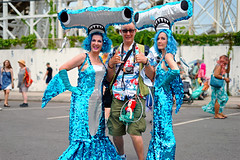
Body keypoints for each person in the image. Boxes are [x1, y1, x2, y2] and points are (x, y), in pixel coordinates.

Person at [41, 6, 133, 159]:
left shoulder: (102, 60)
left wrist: (111, 66)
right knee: (84, 135)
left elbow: (107, 80)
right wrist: (71, 87)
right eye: (94, 40)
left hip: (98, 103)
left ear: (104, 42)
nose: (96, 43)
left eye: (99, 41)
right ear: (89, 42)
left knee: (97, 135)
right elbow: (63, 68)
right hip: (83, 102)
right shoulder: (83, 57)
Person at [133, 0, 192, 159]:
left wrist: (162, 83)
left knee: (165, 133)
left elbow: (175, 71)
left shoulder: (167, 55)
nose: (159, 41)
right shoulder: (161, 57)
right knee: (158, 130)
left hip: (163, 99)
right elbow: (153, 76)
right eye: (158, 39)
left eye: (163, 39)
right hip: (159, 99)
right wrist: (147, 63)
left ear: (168, 40)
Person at [106, 22, 156, 160]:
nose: (128, 33)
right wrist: (111, 64)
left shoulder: (144, 50)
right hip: (118, 96)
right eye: (125, 30)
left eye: (131, 30)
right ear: (120, 32)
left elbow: (152, 76)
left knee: (135, 132)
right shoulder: (114, 51)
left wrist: (146, 62)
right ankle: (121, 156)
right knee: (116, 131)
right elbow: (110, 78)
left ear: (135, 31)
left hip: (136, 97)